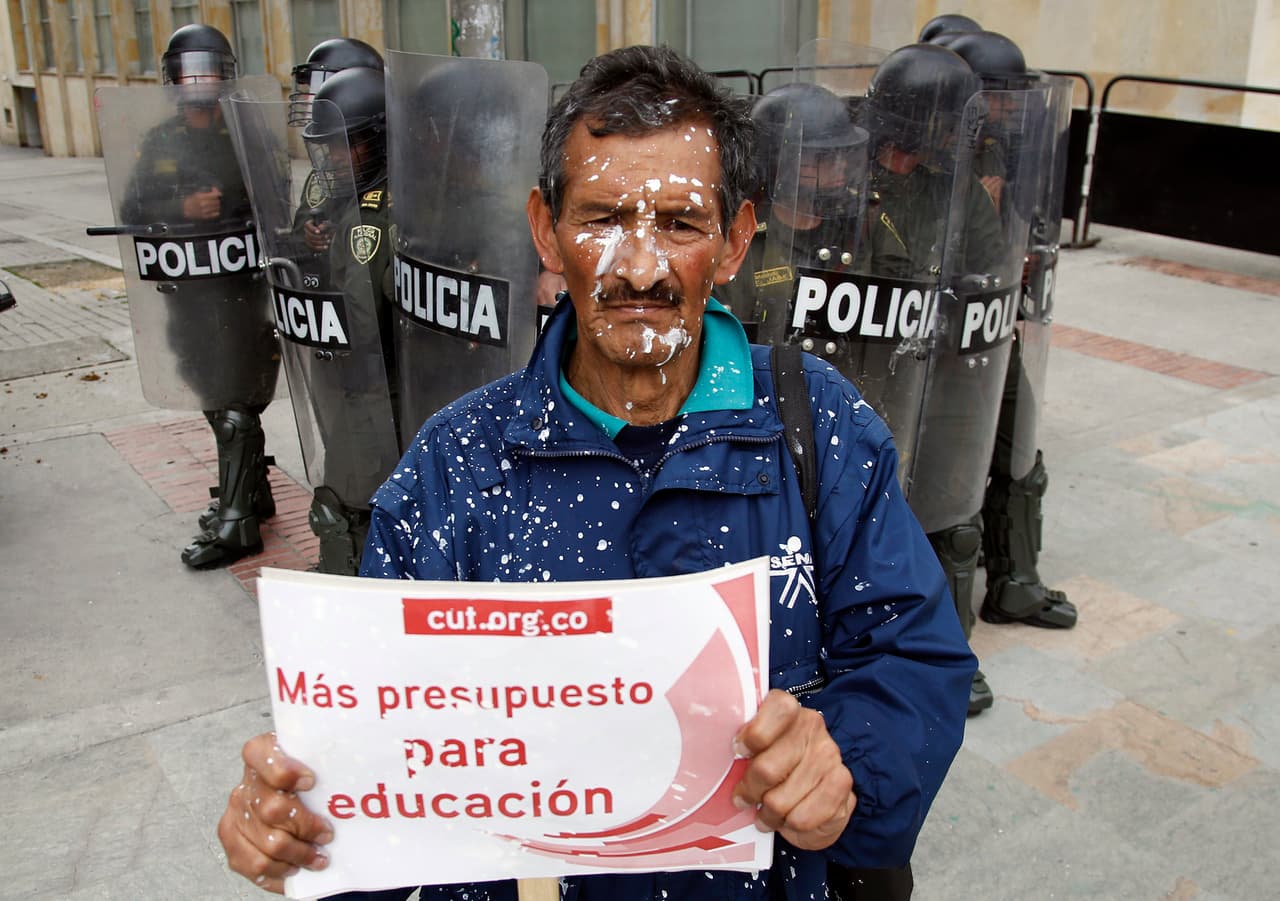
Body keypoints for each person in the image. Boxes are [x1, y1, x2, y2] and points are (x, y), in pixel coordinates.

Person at [217, 45, 975, 900]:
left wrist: (846, 763)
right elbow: (381, 751)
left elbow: (914, 651)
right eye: (603, 218)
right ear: (546, 230)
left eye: (680, 224)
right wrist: (300, 825)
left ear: (733, 243)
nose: (639, 268)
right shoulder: (453, 465)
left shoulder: (817, 426)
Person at [120, 23, 280, 569]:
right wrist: (181, 212)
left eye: (210, 70)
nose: (201, 82)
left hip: (239, 295)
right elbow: (133, 211)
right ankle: (253, 493)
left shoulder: (247, 135)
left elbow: (276, 204)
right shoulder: (162, 140)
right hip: (185, 293)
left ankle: (239, 527)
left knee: (234, 400)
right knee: (210, 392)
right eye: (191, 71)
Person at [942, 31, 1078, 631]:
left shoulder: (1000, 149)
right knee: (949, 477)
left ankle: (1016, 582)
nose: (1008, 108)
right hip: (937, 339)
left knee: (1020, 454)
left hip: (993, 321)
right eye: (995, 94)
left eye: (1012, 95)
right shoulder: (917, 153)